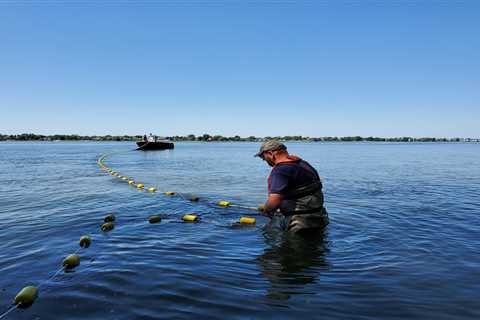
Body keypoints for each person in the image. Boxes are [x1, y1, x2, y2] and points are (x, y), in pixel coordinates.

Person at [255, 140, 329, 234]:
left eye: (264, 158)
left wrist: (267, 211)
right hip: (319, 219)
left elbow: (274, 200)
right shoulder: (304, 164)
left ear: (270, 153)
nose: (265, 161)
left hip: (300, 225)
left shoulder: (280, 170)